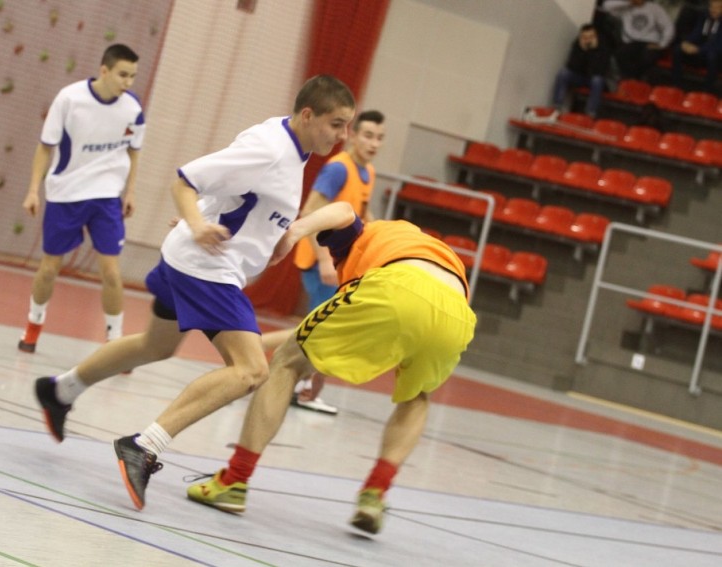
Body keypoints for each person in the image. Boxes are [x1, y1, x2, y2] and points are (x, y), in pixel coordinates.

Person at [33, 74, 356, 511]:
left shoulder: (289, 146)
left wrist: (215, 219)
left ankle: (61, 390)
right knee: (250, 370)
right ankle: (144, 445)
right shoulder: (270, 149)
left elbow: (232, 190)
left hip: (191, 260)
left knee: (157, 345)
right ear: (307, 115)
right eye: (337, 124)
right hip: (207, 268)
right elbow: (186, 180)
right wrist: (197, 221)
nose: (343, 136)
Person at [187, 203, 477, 535]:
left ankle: (234, 481)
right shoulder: (423, 247)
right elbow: (411, 318)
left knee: (286, 363)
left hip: (396, 284)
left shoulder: (366, 235)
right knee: (417, 396)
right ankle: (375, 492)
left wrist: (296, 230)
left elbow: (343, 210)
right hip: (456, 313)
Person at [17, 44, 144, 353]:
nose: (128, 82)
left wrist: (129, 190)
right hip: (66, 194)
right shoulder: (70, 99)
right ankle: (33, 326)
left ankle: (115, 344)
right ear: (105, 70)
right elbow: (46, 146)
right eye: (122, 75)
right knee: (49, 269)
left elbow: (133, 151)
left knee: (112, 273)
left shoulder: (133, 108)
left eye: (133, 76)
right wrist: (34, 189)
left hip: (106, 198)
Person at [261, 110, 386, 415]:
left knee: (321, 328)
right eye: (368, 135)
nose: (373, 143)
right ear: (353, 135)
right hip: (321, 261)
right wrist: (324, 260)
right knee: (324, 328)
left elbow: (361, 215)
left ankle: (271, 364)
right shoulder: (338, 170)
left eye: (380, 138)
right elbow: (309, 212)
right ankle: (294, 382)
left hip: (343, 260)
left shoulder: (368, 171)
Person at [600, 0, 675, 80]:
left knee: (648, 57)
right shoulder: (624, 8)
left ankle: (634, 81)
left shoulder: (655, 8)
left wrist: (662, 44)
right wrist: (630, 2)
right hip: (631, 42)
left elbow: (669, 27)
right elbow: (606, 6)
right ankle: (631, 81)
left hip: (650, 42)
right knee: (620, 55)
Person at [552, 24, 612, 118]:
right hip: (579, 76)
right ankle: (557, 106)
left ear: (595, 36)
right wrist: (582, 51)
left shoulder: (603, 47)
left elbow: (600, 70)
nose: (588, 40)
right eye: (585, 37)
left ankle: (590, 112)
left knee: (597, 80)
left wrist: (593, 51)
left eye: (591, 37)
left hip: (593, 78)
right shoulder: (577, 45)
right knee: (563, 73)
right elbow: (571, 66)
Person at [671, 0, 722, 94]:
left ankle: (708, 89)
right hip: (701, 51)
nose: (713, 10)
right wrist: (687, 42)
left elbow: (719, 44)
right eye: (711, 7)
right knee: (678, 49)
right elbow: (697, 33)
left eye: (717, 8)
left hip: (717, 56)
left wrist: (699, 49)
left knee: (712, 56)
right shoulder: (704, 16)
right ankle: (675, 84)